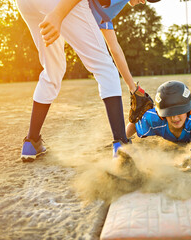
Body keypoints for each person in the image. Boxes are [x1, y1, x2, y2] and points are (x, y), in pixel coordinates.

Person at [17, 0, 159, 162]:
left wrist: (133, 88)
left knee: (52, 70)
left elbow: (115, 49)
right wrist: (58, 14)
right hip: (57, 4)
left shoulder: (104, 14)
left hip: (26, 3)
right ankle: (121, 144)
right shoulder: (101, 11)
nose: (141, 2)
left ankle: (31, 142)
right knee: (105, 69)